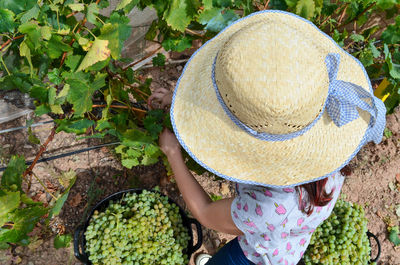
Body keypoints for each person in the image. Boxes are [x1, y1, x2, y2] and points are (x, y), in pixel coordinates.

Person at [148, 10, 386, 265]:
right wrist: (179, 103)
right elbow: (246, 112)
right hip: (289, 247)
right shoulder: (334, 160)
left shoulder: (265, 208)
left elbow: (206, 214)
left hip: (253, 258)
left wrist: (174, 153)